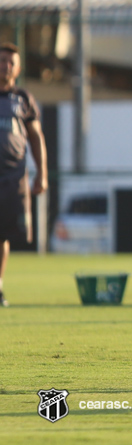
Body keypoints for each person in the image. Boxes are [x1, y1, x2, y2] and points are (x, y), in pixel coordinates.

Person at [0, 42, 48, 307]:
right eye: (2, 60)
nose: (5, 65)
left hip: (12, 176)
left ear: (17, 68)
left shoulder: (23, 99)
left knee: (3, 235)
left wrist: (42, 173)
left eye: (11, 61)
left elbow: (36, 136)